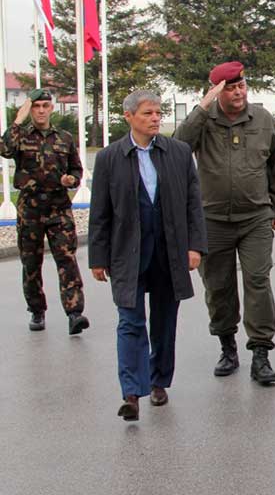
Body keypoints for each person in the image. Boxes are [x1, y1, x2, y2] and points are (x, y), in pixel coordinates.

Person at [89, 90, 207, 421]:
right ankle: (131, 393)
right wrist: (98, 258)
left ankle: (158, 381)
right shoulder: (110, 158)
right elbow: (100, 214)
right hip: (127, 254)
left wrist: (195, 246)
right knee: (130, 322)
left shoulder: (179, 153)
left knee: (164, 321)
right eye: (147, 113)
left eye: (158, 112)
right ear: (129, 117)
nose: (155, 118)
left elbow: (192, 206)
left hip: (169, 252)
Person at [174, 61, 275, 385]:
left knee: (257, 280)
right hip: (211, 219)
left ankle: (261, 354)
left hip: (255, 217)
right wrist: (201, 109)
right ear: (216, 91)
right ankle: (227, 346)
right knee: (218, 286)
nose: (238, 92)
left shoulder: (262, 119)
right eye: (230, 87)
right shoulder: (204, 121)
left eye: (241, 86)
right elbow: (177, 148)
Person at [1, 89, 87, 334]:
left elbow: (76, 169)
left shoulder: (64, 138)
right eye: (36, 106)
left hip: (59, 209)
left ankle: (75, 313)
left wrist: (72, 179)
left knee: (67, 260)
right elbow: (4, 150)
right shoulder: (21, 135)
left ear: (52, 108)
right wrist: (18, 119)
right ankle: (37, 310)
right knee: (31, 263)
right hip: (30, 210)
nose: (40, 110)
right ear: (30, 109)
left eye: (45, 106)